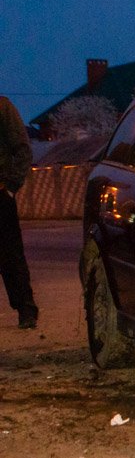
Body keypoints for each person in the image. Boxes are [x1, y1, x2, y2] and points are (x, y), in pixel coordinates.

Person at [0, 95, 37, 329]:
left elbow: (22, 148)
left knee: (10, 254)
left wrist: (10, 186)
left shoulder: (2, 107)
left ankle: (26, 309)